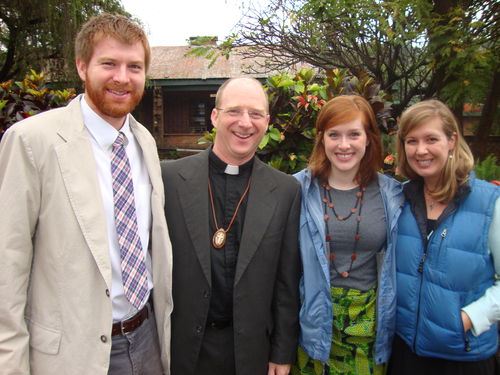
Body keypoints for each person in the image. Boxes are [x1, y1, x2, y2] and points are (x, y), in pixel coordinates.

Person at [0, 13, 173, 375]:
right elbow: (8, 264)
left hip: (147, 341)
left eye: (134, 66)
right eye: (108, 63)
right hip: (71, 356)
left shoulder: (144, 142)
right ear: (82, 66)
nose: (122, 78)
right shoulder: (32, 142)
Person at [161, 77, 301, 375]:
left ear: (267, 122)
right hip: (182, 349)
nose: (245, 123)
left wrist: (282, 351)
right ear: (215, 116)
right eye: (234, 111)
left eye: (256, 114)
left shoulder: (286, 190)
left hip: (250, 352)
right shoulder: (169, 180)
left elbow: (286, 283)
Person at [293, 95, 404, 374]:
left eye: (354, 134)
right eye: (334, 135)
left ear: (369, 138)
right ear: (322, 139)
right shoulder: (297, 191)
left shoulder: (393, 194)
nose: (344, 145)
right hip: (312, 327)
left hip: (369, 331)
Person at [388, 99, 500, 375]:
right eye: (411, 141)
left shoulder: (489, 204)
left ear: (451, 140)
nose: (421, 150)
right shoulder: (399, 199)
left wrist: (469, 318)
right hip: (405, 354)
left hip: (463, 357)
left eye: (431, 139)